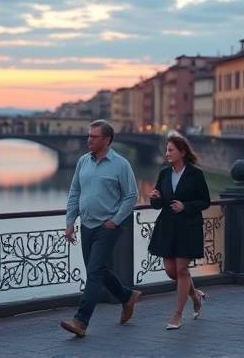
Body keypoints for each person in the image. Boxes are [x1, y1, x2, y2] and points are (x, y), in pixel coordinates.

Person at [60, 120, 141, 338]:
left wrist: (115, 220)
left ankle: (81, 321)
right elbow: (74, 193)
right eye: (89, 135)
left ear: (106, 140)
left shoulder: (121, 164)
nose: (89, 139)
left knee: (94, 272)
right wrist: (70, 223)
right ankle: (126, 296)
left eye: (94, 137)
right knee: (98, 271)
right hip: (86, 225)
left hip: (107, 227)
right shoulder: (82, 162)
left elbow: (131, 195)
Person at [148, 133, 210, 330]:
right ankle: (195, 296)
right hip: (167, 226)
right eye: (166, 150)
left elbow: (205, 201)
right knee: (171, 271)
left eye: (171, 150)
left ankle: (177, 315)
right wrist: (155, 197)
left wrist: (185, 206)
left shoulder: (196, 174)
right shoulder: (164, 174)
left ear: (182, 152)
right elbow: (158, 204)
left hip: (188, 226)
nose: (167, 153)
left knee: (182, 270)